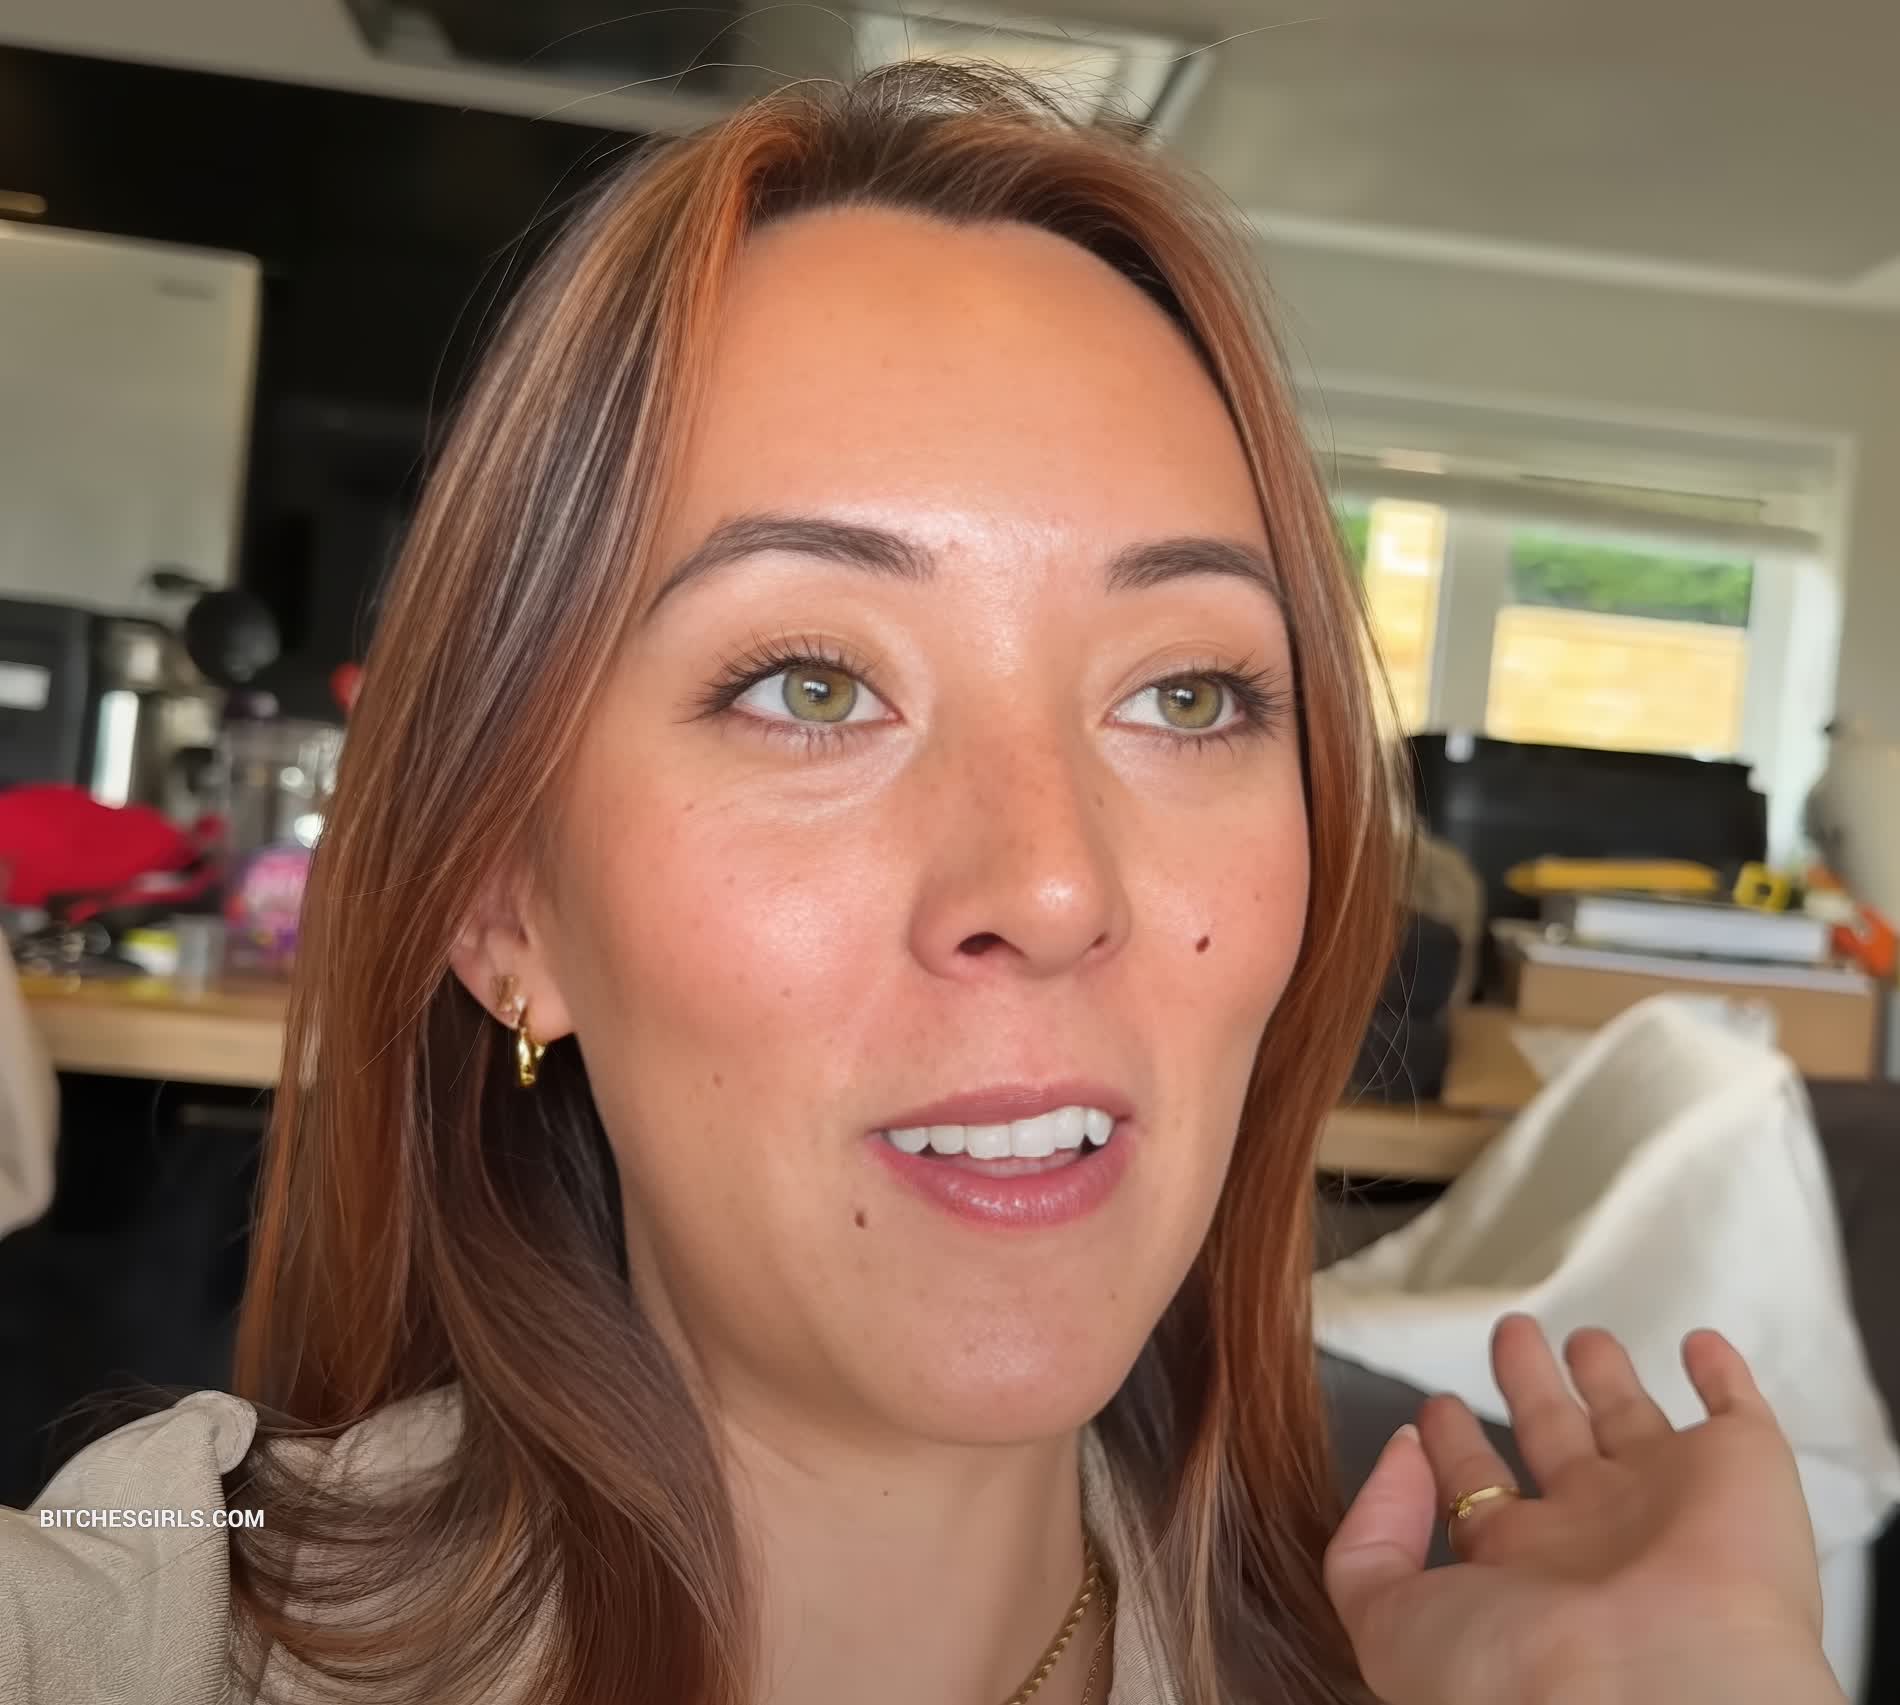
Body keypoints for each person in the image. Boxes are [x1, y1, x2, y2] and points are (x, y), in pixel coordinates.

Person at [0, 61, 1843, 1705]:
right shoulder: (152, 1619)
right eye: (811, 685)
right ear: (507, 907)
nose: (1050, 882)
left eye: (1185, 693)